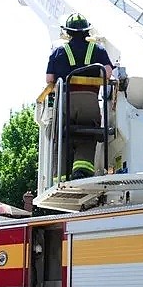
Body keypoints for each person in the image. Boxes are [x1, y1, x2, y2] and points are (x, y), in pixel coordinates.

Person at [45, 13, 114, 180]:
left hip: (65, 100)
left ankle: (61, 175)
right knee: (88, 134)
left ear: (67, 32)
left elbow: (49, 79)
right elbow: (108, 72)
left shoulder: (58, 51)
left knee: (61, 135)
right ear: (87, 31)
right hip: (89, 100)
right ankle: (81, 172)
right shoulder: (98, 49)